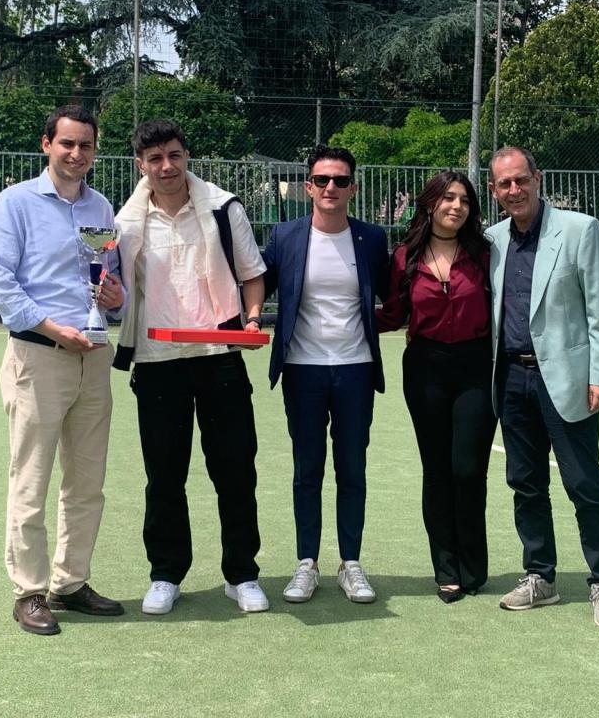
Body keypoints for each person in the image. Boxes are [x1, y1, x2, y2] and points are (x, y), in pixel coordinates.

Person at [113, 119, 269, 615]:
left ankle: (241, 574)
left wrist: (251, 316)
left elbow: (252, 275)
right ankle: (166, 574)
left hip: (219, 357)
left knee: (236, 471)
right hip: (158, 363)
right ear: (140, 164)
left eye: (175, 156)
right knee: (164, 476)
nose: (166, 167)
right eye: (155, 159)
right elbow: (116, 291)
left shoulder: (224, 208)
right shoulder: (125, 222)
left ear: (187, 157)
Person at [0, 105, 126, 636]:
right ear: (46, 144)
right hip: (38, 355)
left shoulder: (103, 207)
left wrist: (114, 298)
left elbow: (109, 279)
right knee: (32, 478)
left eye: (85, 145)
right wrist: (49, 327)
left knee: (87, 482)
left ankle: (71, 581)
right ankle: (30, 590)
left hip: (94, 356)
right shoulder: (16, 202)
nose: (76, 154)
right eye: (66, 143)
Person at [485, 146, 599, 628]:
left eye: (521, 180)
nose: (514, 190)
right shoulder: (492, 240)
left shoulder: (580, 230)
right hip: (511, 380)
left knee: (584, 483)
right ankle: (539, 576)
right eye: (504, 184)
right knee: (525, 483)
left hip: (565, 380)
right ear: (493, 189)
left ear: (537, 179)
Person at [262, 145, 389, 604]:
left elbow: (392, 293)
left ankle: (350, 562)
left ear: (352, 186)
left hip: (355, 369)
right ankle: (306, 563)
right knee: (307, 469)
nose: (330, 188)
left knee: (352, 467)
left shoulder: (372, 239)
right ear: (308, 186)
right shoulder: (286, 235)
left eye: (339, 180)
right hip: (303, 370)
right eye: (321, 180)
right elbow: (256, 283)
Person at [376, 171, 497, 604]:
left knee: (468, 469)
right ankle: (445, 570)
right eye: (448, 198)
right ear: (430, 204)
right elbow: (392, 313)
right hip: (425, 367)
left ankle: (473, 566)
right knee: (437, 470)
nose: (457, 207)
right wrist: (337, 323)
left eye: (465, 200)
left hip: (476, 366)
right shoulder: (405, 256)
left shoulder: (484, 254)